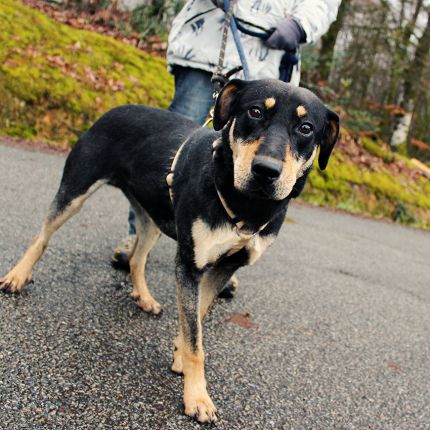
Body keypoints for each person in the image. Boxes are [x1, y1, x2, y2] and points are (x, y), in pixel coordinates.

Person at [112, 0, 341, 296]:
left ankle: (226, 250)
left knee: (257, 163)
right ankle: (140, 234)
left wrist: (300, 25)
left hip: (270, 62)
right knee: (176, 148)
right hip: (207, 45)